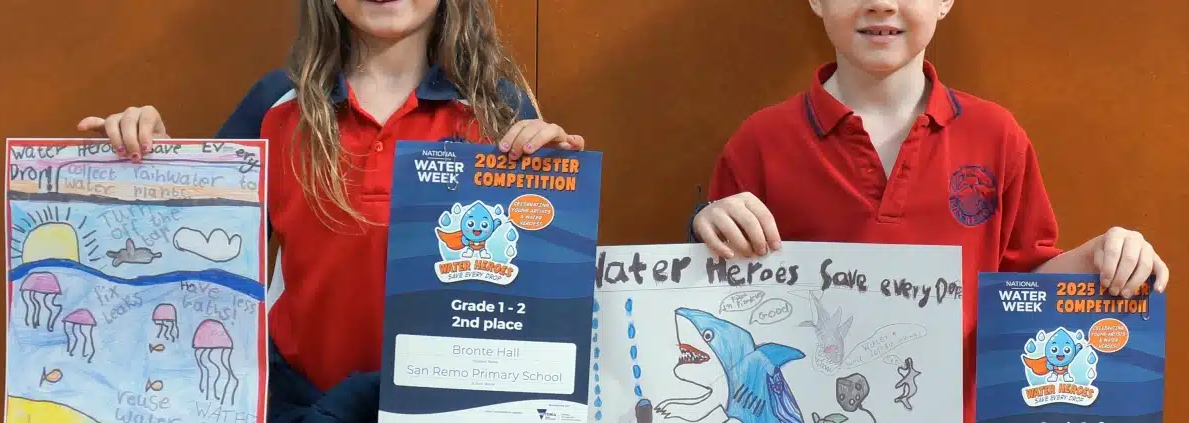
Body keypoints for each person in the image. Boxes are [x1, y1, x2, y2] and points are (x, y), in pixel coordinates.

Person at [77, 1, 585, 421]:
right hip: (299, 400)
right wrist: (150, 167)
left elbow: (531, 296)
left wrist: (551, 188)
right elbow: (192, 250)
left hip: (449, 404)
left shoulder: (497, 110)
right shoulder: (276, 104)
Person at [688, 1, 1170, 422]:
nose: (880, 3)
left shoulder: (996, 136)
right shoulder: (760, 142)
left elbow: (1023, 285)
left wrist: (1102, 258)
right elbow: (723, 295)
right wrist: (706, 227)